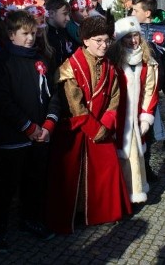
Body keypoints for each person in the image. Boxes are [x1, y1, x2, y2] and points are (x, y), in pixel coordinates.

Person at [47, 16, 131, 234]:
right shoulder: (69, 67)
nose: (104, 46)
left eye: (106, 41)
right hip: (76, 128)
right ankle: (73, 212)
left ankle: (101, 210)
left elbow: (114, 97)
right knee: (69, 174)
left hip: (100, 126)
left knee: (106, 168)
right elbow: (75, 104)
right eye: (98, 41)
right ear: (85, 40)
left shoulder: (110, 67)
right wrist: (96, 129)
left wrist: (107, 122)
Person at [0, 10, 59, 253]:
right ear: (11, 35)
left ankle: (30, 219)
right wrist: (28, 127)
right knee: (7, 185)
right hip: (14, 137)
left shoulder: (41, 60)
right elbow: (3, 101)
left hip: (40, 136)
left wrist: (48, 125)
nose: (31, 38)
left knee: (35, 181)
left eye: (33, 33)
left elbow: (53, 96)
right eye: (25, 34)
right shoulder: (4, 63)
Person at [109, 16, 158, 202]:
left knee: (135, 158)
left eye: (135, 35)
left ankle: (134, 193)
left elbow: (150, 90)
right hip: (117, 118)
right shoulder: (113, 61)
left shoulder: (147, 62)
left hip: (136, 119)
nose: (133, 40)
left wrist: (146, 116)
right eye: (128, 37)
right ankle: (118, 196)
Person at [130, 0, 165, 181]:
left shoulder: (163, 32)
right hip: (132, 87)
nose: (132, 12)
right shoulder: (128, 30)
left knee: (147, 130)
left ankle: (145, 166)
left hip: (151, 90)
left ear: (147, 13)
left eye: (135, 10)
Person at [45, 0, 77, 67]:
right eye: (65, 14)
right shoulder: (45, 35)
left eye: (68, 15)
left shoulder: (64, 32)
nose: (68, 18)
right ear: (51, 14)